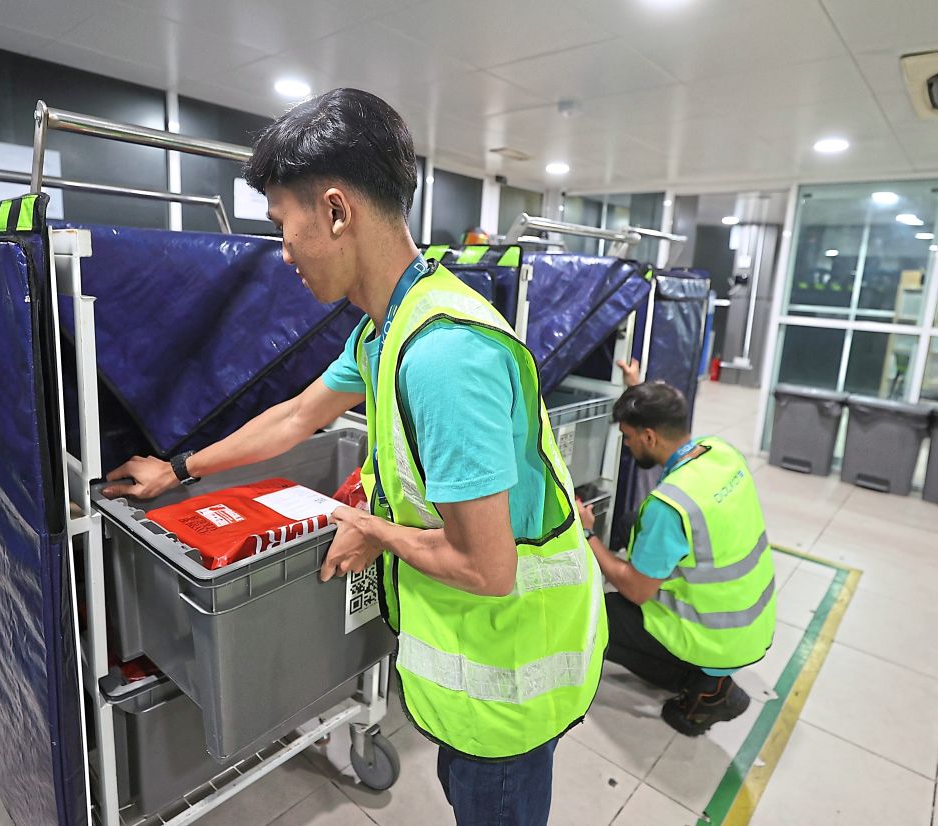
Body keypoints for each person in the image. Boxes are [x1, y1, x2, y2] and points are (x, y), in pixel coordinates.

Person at [102, 88, 608, 825]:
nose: (283, 254)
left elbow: (487, 568)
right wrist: (177, 469)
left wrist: (375, 531)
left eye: (284, 226)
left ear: (337, 212)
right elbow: (298, 415)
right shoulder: (389, 327)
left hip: (511, 680)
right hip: (479, 664)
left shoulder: (443, 355)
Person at [579, 359, 775, 736]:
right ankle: (707, 676)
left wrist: (589, 537)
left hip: (715, 639)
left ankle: (705, 691)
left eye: (629, 436)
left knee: (601, 613)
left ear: (650, 436)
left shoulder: (669, 508)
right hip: (750, 624)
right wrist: (636, 389)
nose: (628, 443)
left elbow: (636, 590)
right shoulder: (721, 453)